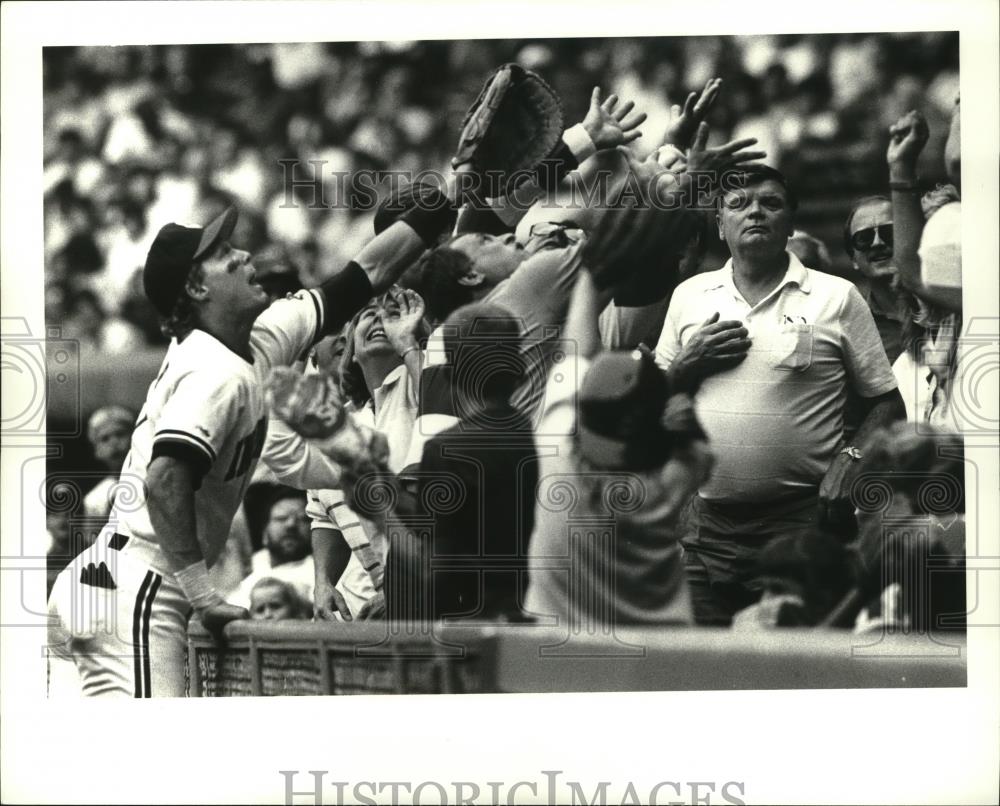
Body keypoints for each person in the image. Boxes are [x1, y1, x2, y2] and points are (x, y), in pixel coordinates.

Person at [47, 184, 456, 697]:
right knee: (152, 765)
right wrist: (203, 595)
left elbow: (366, 273)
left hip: (108, 583)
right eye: (221, 255)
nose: (242, 254)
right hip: (139, 588)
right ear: (198, 289)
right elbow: (165, 478)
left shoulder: (256, 337)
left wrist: (450, 198)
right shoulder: (213, 370)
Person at [654, 165, 905, 625]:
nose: (755, 212)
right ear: (719, 223)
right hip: (704, 525)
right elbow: (656, 402)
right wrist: (687, 364)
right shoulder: (689, 296)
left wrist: (851, 458)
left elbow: (886, 402)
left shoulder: (836, 296)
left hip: (803, 525)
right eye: (738, 204)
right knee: (700, 669)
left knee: (798, 667)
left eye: (770, 203)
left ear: (790, 222)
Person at [228, 490, 314, 609]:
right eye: (281, 518)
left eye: (302, 519)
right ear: (264, 533)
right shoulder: (247, 570)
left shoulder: (323, 577)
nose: (291, 524)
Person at [82, 405, 135, 522]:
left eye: (120, 434)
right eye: (105, 438)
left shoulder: (155, 479)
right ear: (97, 451)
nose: (114, 442)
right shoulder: (94, 500)